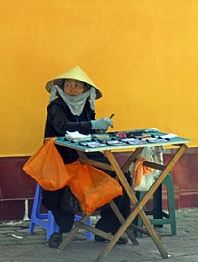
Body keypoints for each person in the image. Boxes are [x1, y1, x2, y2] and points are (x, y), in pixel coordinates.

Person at [42, 65, 131, 248]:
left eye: (77, 86)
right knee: (64, 188)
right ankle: (62, 229)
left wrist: (98, 129)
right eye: (68, 85)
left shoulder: (87, 106)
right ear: (61, 87)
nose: (72, 90)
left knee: (122, 177)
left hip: (87, 156)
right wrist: (91, 124)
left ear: (85, 90)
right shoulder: (56, 106)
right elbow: (63, 127)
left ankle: (109, 229)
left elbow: (87, 132)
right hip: (61, 159)